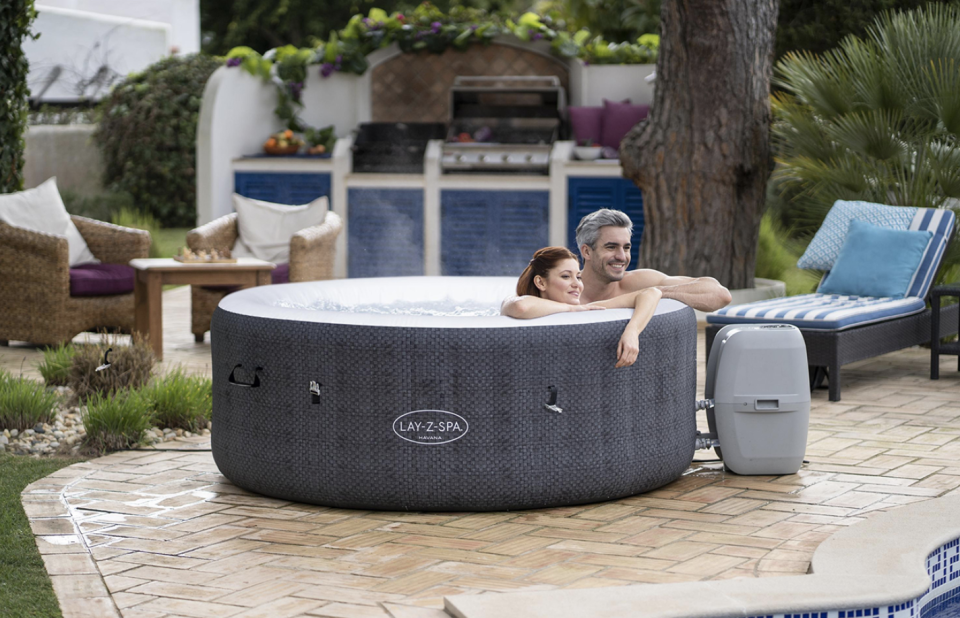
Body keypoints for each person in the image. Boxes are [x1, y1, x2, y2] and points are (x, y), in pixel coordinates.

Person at [501, 247, 662, 368]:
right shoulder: (515, 301)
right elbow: (521, 306)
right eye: (566, 276)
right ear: (541, 282)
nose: (577, 284)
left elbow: (651, 293)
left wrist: (632, 331)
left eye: (578, 277)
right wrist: (570, 309)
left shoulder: (586, 308)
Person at [575, 209, 732, 311]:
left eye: (626, 248)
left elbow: (720, 295)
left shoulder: (639, 283)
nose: (622, 257)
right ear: (587, 252)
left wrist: (654, 292)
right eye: (611, 247)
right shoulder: (564, 291)